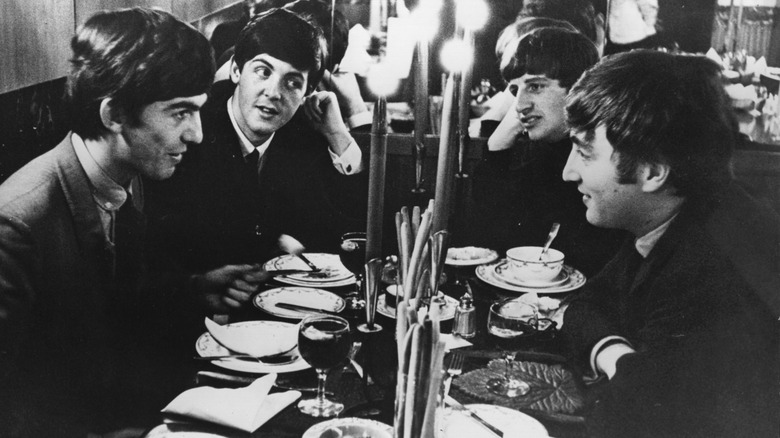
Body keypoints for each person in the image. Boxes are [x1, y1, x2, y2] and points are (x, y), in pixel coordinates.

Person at [0, 8, 215, 437]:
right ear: (114, 114)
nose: (197, 134)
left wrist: (197, 288)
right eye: (180, 113)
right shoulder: (17, 225)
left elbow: (110, 301)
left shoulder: (123, 175)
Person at [560, 50, 780, 437]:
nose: (568, 172)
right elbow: (585, 305)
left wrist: (630, 376)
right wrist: (621, 360)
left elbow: (635, 416)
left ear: (653, 172)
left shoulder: (712, 269)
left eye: (583, 151)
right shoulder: (682, 213)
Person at [145, 8, 367, 315]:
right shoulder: (192, 132)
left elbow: (348, 229)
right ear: (236, 71)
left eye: (292, 82)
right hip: (194, 315)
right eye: (263, 72)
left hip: (283, 314)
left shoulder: (302, 133)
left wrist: (336, 133)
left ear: (308, 92)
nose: (273, 93)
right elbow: (167, 249)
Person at [470, 27, 625, 277]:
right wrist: (498, 144)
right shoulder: (537, 151)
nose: (520, 105)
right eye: (514, 90)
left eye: (536, 87)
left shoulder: (606, 157)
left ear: (577, 87)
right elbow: (493, 240)